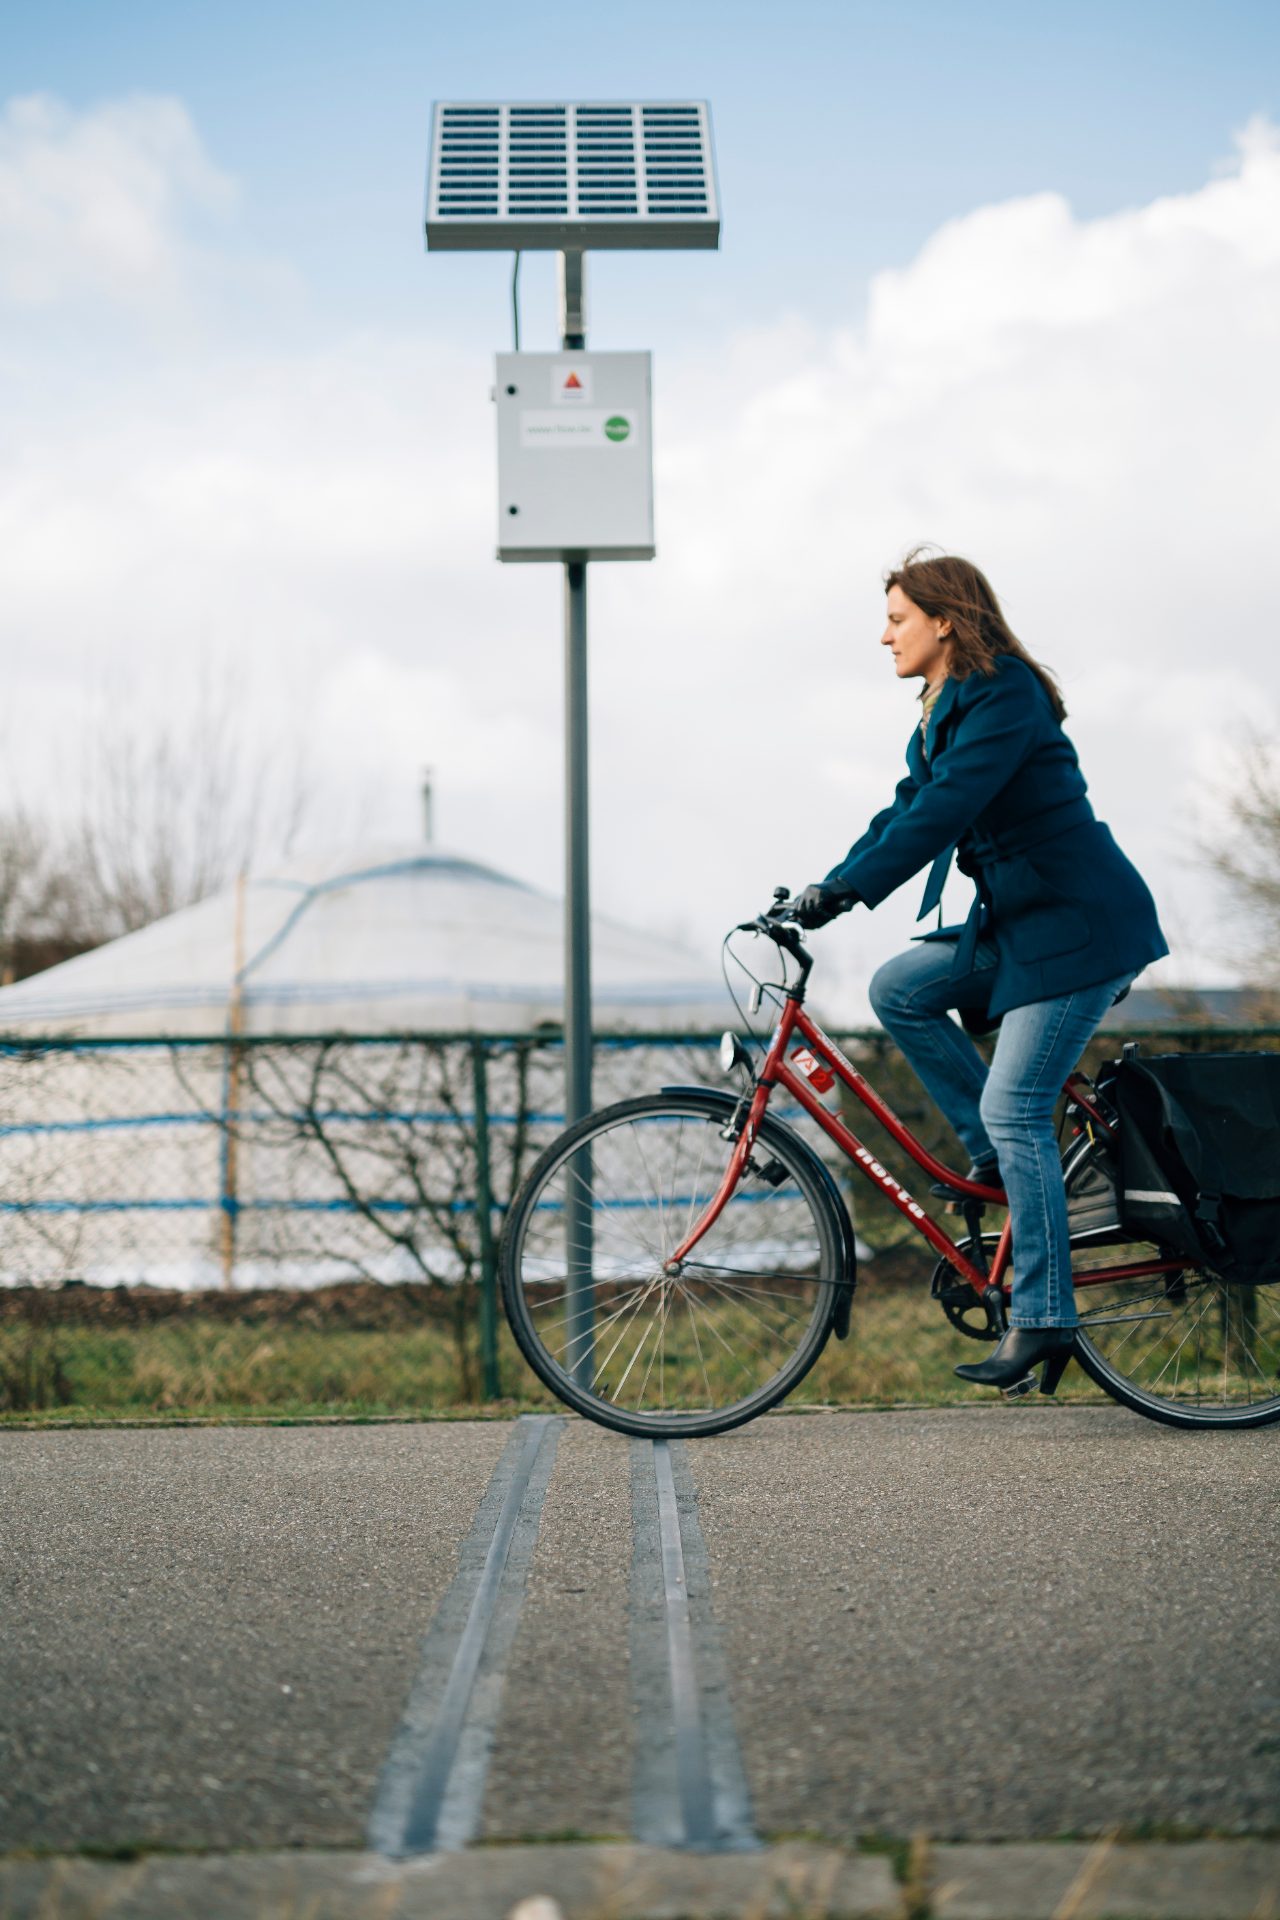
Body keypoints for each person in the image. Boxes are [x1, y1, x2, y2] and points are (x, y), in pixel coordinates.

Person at [792, 548, 1168, 1395]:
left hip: (1081, 931)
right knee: (900, 988)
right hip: (1021, 924)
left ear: (944, 622)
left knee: (1017, 1103)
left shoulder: (1005, 696)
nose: (883, 635)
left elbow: (948, 807)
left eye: (896, 620)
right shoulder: (942, 706)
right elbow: (906, 806)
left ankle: (1044, 1318)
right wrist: (826, 886)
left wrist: (852, 890)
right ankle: (992, 1157)